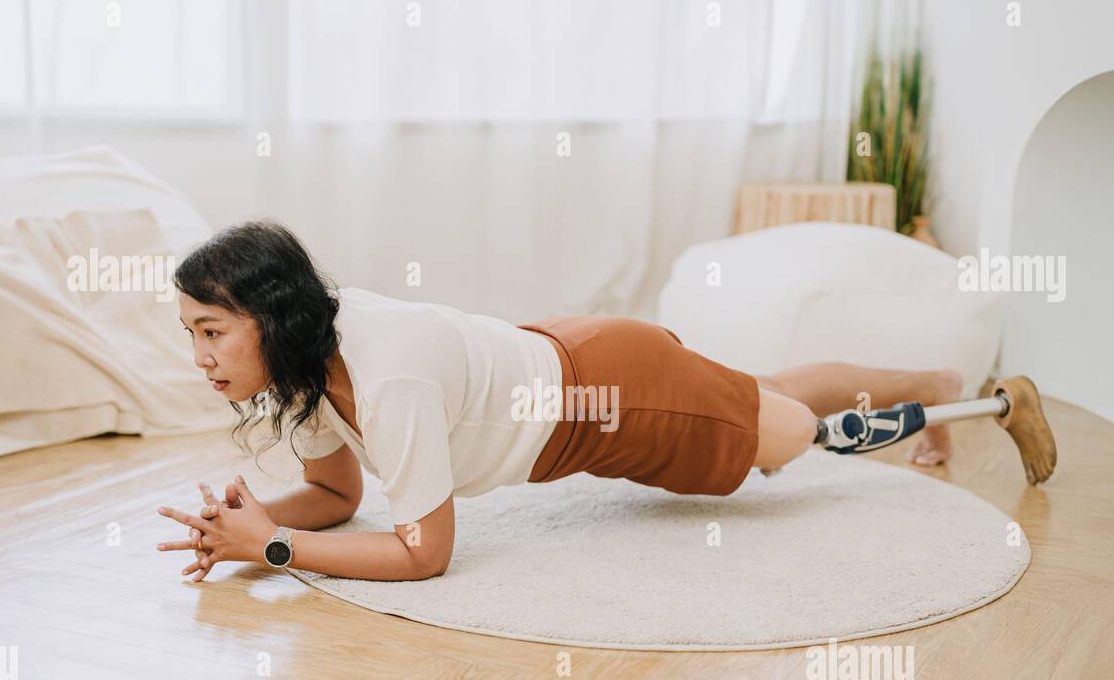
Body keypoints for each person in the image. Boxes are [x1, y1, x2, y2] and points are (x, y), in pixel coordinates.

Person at [156, 221, 963, 582]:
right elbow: (338, 494)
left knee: (790, 430)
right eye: (192, 333)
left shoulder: (384, 370)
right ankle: (930, 383)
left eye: (212, 332)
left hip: (613, 397)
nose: (200, 357)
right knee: (769, 394)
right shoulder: (306, 368)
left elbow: (423, 554)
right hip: (558, 354)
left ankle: (937, 394)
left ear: (272, 318)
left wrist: (273, 549)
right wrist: (254, 522)